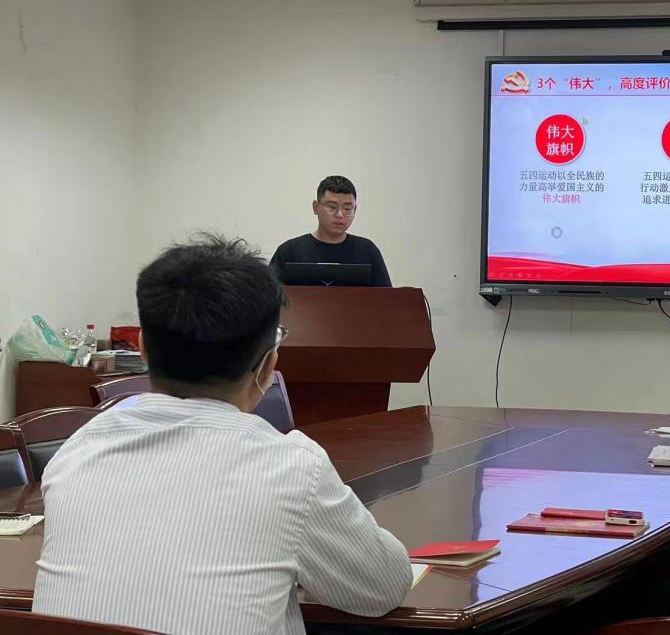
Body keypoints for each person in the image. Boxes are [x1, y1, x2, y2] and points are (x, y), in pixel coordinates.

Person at [33, 235, 413, 635]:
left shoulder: (76, 451)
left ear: (142, 349)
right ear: (268, 367)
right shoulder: (291, 467)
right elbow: (384, 588)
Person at [270, 175, 391, 287]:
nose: (340, 214)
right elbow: (268, 297)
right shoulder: (290, 251)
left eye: (347, 208)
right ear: (316, 207)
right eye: (332, 207)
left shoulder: (367, 250)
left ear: (355, 210)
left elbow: (386, 298)